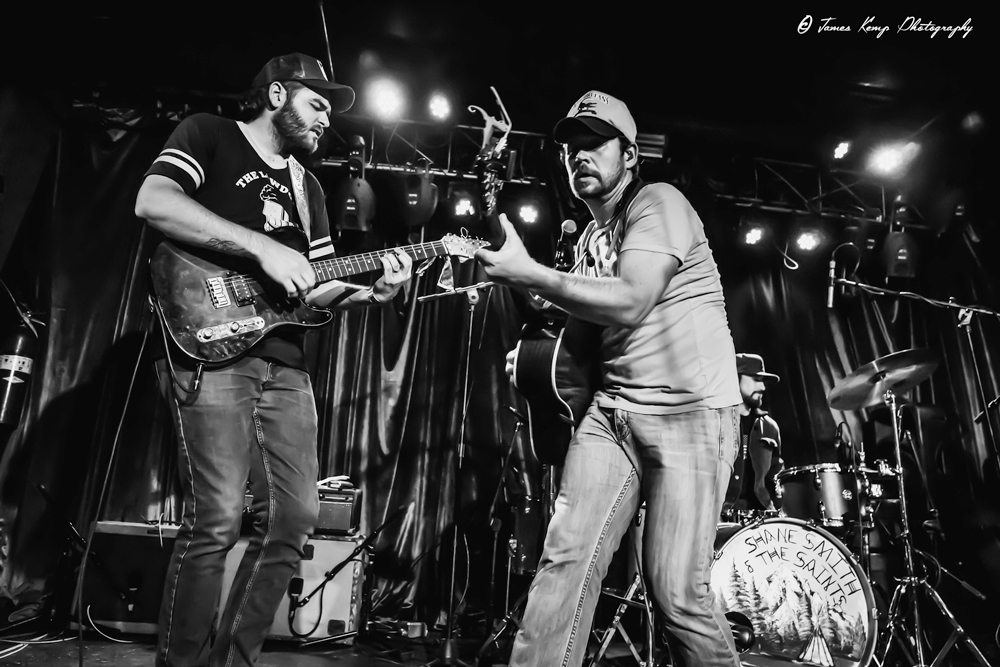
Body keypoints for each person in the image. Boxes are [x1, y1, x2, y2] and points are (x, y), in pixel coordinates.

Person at [134, 53, 413, 667]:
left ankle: (234, 660)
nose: (326, 122)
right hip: (211, 348)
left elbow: (311, 284)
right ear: (278, 95)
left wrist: (373, 291)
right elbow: (153, 202)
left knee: (295, 518)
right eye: (318, 105)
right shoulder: (208, 134)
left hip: (287, 365)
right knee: (219, 518)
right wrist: (261, 247)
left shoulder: (309, 188)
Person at [476, 91, 742, 667]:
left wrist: (531, 274)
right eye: (571, 146)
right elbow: (560, 311)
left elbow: (629, 299)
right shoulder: (592, 239)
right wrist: (490, 180)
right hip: (613, 414)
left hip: (691, 414)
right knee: (564, 562)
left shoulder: (660, 202)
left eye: (595, 143)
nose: (579, 155)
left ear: (630, 154)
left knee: (677, 595)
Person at [722, 353, 783, 520]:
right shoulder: (715, 422)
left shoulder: (770, 428)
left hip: (760, 520)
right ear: (735, 378)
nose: (763, 387)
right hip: (719, 516)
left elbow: (776, 478)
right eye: (756, 379)